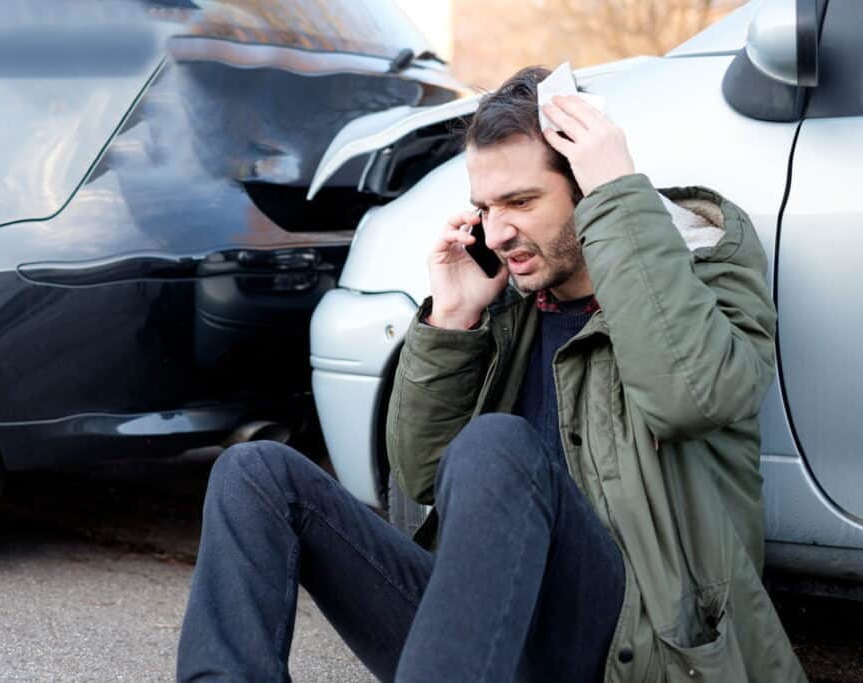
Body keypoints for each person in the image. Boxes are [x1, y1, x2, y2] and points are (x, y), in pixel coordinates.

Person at [175, 66, 806, 682]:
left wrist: (619, 191)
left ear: (590, 191)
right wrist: (452, 320)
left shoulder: (699, 265)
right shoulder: (511, 305)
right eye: (486, 206)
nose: (499, 231)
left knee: (496, 443)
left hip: (631, 643)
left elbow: (689, 398)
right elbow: (423, 477)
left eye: (522, 201)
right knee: (255, 474)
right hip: (481, 631)